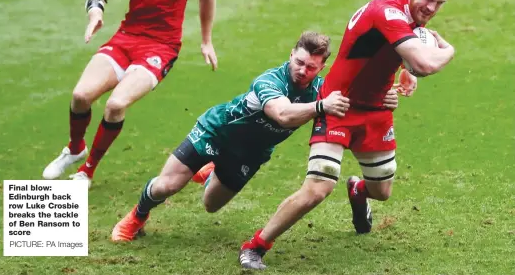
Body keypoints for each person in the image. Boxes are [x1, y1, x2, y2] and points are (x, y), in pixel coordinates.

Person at [238, 0, 456, 270]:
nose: (432, 7)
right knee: (318, 188)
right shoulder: (388, 11)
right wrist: (449, 51)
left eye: (439, 3)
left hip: (377, 109)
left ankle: (357, 190)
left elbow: (393, 55)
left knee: (381, 191)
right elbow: (424, 62)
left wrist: (405, 74)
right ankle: (255, 246)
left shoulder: (409, 15)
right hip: (337, 105)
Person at [110, 31, 401, 242]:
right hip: (217, 132)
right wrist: (320, 107)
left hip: (249, 155)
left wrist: (385, 96)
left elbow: (359, 94)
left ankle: (210, 172)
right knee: (168, 186)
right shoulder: (270, 81)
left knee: (211, 206)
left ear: (322, 66)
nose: (302, 70)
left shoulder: (322, 89)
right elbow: (283, 115)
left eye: (311, 67)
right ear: (291, 53)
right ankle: (137, 216)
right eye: (299, 62)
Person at [42, 0, 217, 188]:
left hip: (161, 48)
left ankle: (86, 171)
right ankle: (75, 149)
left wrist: (206, 40)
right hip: (126, 38)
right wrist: (96, 13)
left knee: (115, 104)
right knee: (80, 96)